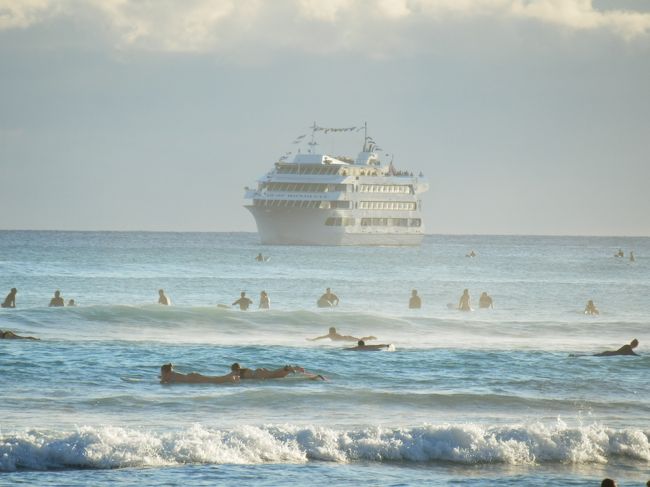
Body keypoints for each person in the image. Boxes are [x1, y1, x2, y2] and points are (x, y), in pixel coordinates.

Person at [230, 362, 325, 380]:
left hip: (258, 374)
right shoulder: (243, 370)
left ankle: (290, 368)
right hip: (259, 372)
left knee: (274, 373)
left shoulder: (237, 372)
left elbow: (230, 377)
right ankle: (314, 377)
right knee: (279, 375)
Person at [159, 363, 238, 384]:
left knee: (213, 381)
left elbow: (163, 382)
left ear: (165, 371)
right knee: (212, 379)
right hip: (192, 376)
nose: (161, 373)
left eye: (162, 371)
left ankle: (230, 376)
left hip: (192, 378)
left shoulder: (167, 375)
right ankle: (229, 377)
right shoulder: (170, 374)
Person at [308, 327, 376, 342]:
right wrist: (312, 339)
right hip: (347, 338)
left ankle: (370, 337)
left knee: (360, 340)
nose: (330, 332)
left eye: (330, 331)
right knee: (359, 340)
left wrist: (312, 339)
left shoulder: (331, 335)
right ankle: (370, 337)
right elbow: (320, 337)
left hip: (347, 338)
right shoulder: (332, 334)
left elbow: (320, 337)